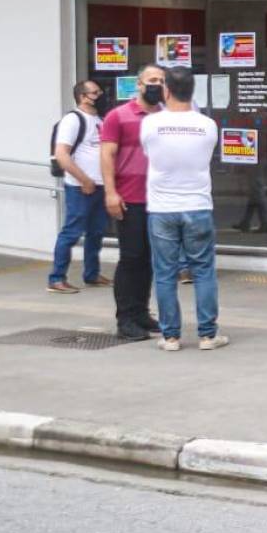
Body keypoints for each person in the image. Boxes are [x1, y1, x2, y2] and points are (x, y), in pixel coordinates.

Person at [140, 66, 226, 351]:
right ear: (192, 90)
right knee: (203, 271)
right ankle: (208, 335)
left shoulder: (151, 124)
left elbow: (149, 153)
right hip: (197, 204)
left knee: (165, 273)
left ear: (166, 90)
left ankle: (170, 337)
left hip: (162, 207)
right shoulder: (207, 125)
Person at [101, 64, 166, 340]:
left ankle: (141, 313)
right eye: (152, 80)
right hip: (130, 198)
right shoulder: (118, 116)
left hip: (159, 199)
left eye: (161, 80)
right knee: (131, 258)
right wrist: (110, 192)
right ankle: (125, 319)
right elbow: (107, 155)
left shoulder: (166, 117)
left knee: (149, 259)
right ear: (139, 84)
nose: (156, 85)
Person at [48, 80, 111, 293]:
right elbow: (62, 154)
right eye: (95, 92)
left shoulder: (100, 119)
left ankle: (92, 274)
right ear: (83, 97)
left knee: (96, 232)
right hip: (80, 187)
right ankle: (57, 278)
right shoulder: (73, 120)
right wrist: (84, 180)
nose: (101, 95)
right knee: (71, 233)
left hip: (100, 185)